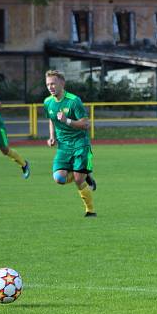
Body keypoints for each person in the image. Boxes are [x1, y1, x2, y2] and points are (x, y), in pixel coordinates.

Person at [43, 70, 97, 217]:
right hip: (63, 146)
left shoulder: (74, 101)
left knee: (79, 180)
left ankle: (90, 210)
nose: (50, 87)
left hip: (80, 143)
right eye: (48, 84)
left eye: (53, 83)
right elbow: (51, 119)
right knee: (59, 178)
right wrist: (52, 136)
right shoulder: (48, 102)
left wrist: (67, 120)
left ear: (62, 83)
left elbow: (86, 124)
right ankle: (86, 173)